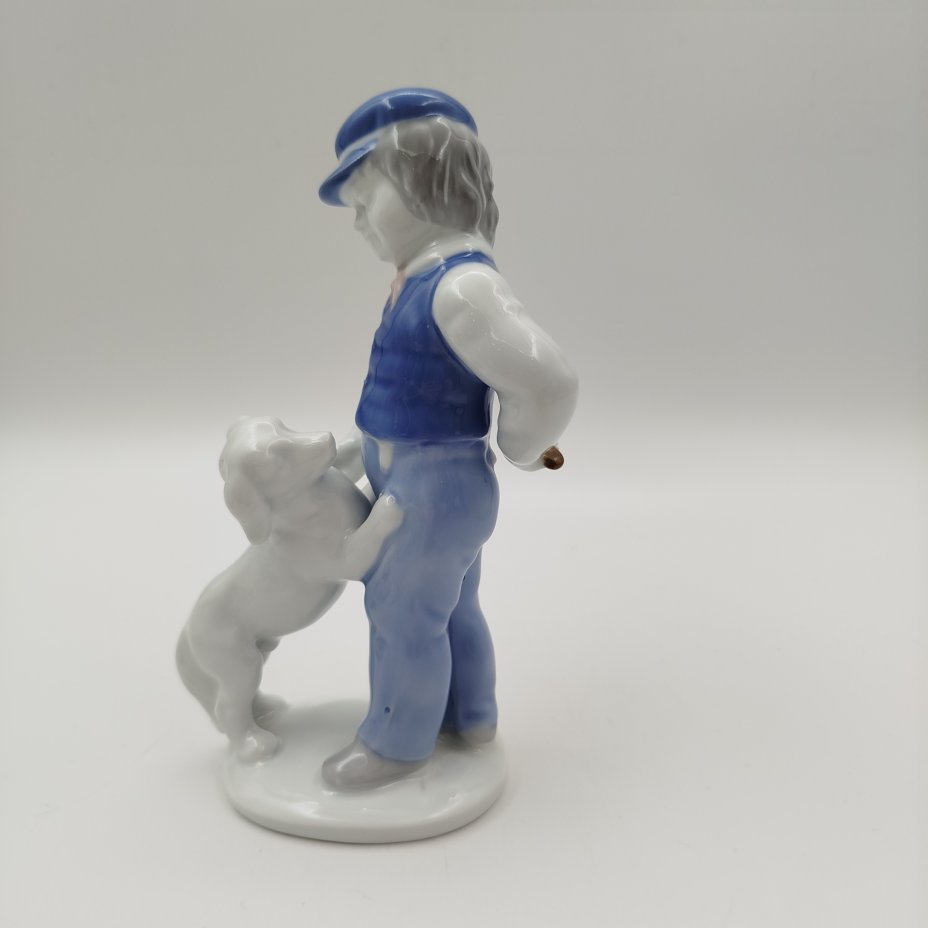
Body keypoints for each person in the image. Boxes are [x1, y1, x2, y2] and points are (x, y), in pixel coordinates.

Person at [317, 89, 578, 789]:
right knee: (451, 604)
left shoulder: (461, 288)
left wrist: (521, 448)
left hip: (434, 488)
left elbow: (549, 382)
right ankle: (470, 715)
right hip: (420, 479)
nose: (358, 220)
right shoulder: (423, 279)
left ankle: (398, 743)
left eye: (366, 197)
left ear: (423, 181)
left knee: (401, 612)